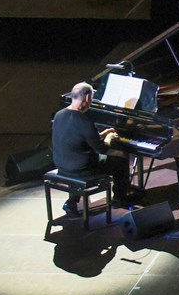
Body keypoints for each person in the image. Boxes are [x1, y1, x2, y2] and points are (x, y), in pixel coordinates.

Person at [51, 82, 131, 215]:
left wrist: (102, 134)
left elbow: (78, 138)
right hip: (83, 170)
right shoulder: (84, 121)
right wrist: (109, 137)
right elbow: (102, 149)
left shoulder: (59, 115)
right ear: (87, 98)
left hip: (62, 165)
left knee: (81, 158)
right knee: (120, 160)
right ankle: (119, 198)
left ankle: (72, 201)